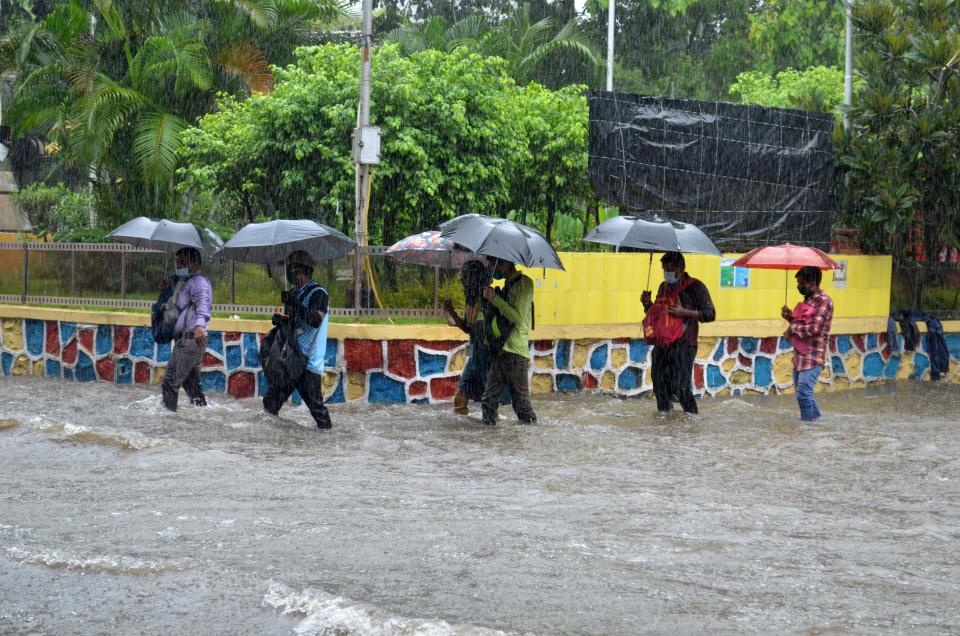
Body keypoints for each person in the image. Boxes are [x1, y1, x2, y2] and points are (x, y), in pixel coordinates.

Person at [263, 250, 333, 429]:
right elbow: (295, 324)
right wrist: (281, 320)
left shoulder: (319, 294)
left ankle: (328, 441)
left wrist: (296, 304)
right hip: (290, 359)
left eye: (291, 270)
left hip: (307, 362)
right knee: (271, 403)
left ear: (300, 271)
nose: (289, 274)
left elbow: (315, 321)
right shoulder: (296, 292)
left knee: (317, 410)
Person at [641, 251, 715, 414]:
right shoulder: (663, 287)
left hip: (684, 345)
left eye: (669, 269)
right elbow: (658, 315)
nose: (667, 273)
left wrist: (685, 312)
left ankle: (692, 421)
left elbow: (710, 314)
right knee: (660, 386)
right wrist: (647, 305)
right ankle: (665, 422)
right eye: (664, 270)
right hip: (662, 344)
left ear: (680, 268)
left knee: (681, 388)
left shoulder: (695, 287)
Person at [479, 258, 536, 426]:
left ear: (504, 264)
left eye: (495, 264)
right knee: (488, 402)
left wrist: (495, 298)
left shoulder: (524, 284)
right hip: (501, 349)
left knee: (522, 406)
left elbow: (517, 317)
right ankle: (488, 446)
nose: (493, 268)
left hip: (516, 353)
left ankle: (527, 444)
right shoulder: (506, 285)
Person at [443, 258, 500, 414]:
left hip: (486, 354)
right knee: (461, 397)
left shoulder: (486, 299)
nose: (462, 279)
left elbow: (478, 329)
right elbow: (469, 329)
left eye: (466, 275)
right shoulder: (471, 299)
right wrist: (452, 312)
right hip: (475, 354)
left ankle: (490, 427)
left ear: (474, 277)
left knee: (487, 398)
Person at [161, 247, 212, 412]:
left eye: (182, 262)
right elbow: (179, 308)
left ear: (193, 263)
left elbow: (203, 305)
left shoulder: (199, 283)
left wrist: (199, 326)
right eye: (177, 262)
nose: (178, 266)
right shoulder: (186, 281)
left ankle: (168, 421)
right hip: (187, 340)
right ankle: (203, 418)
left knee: (170, 382)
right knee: (193, 388)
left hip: (191, 340)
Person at [780, 265, 833, 422]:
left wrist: (792, 328)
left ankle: (807, 433)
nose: (799, 287)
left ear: (812, 283)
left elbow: (815, 329)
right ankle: (817, 426)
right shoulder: (808, 301)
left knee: (804, 395)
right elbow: (803, 324)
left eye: (801, 284)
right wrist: (790, 318)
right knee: (803, 395)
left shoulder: (824, 301)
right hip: (800, 356)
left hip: (813, 356)